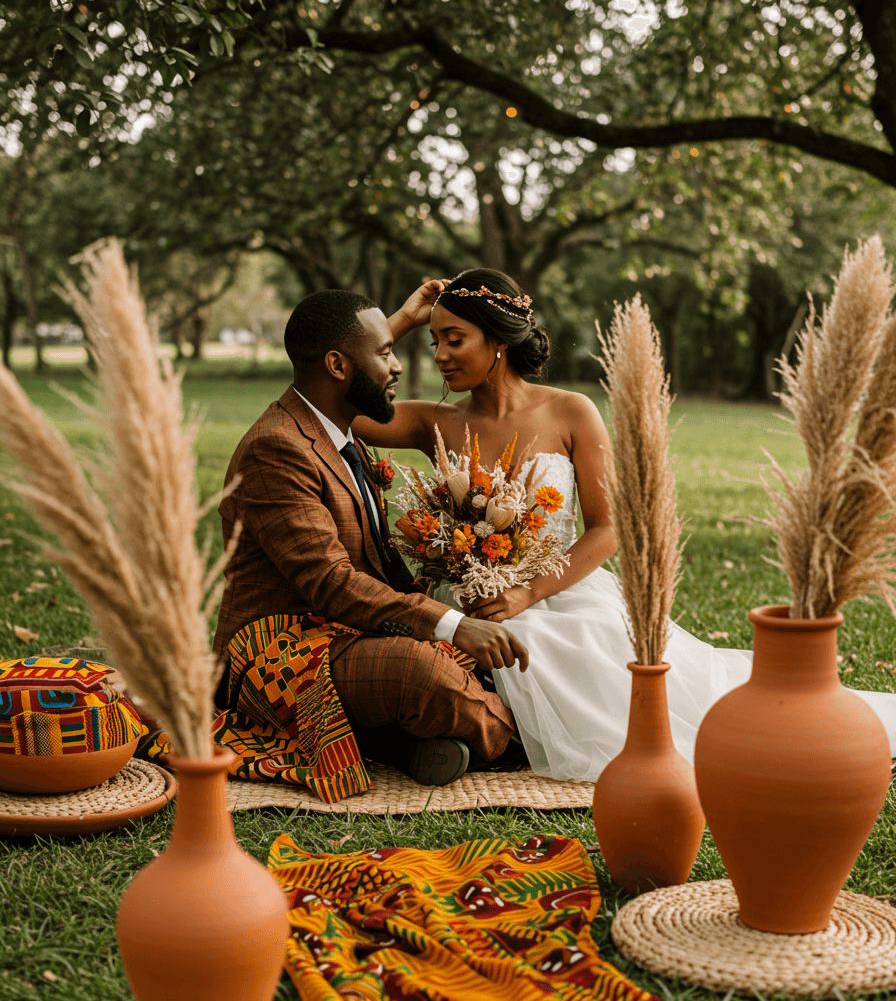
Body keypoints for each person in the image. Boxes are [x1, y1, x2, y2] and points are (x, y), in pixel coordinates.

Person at [353, 267, 896, 781]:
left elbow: (608, 527)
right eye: (434, 341)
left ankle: (481, 741)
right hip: (467, 596)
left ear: (499, 339)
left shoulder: (571, 412)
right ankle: (480, 736)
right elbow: (338, 405)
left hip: (559, 588)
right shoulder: (435, 420)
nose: (441, 354)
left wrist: (527, 592)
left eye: (455, 338)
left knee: (579, 645)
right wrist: (400, 320)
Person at [212, 283, 528, 802]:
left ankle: (397, 740)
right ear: (338, 366)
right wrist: (450, 625)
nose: (398, 366)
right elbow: (330, 583)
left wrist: (444, 605)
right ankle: (527, 739)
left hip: (344, 633)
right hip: (280, 652)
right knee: (424, 673)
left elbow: (372, 570)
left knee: (460, 656)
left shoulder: (339, 432)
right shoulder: (275, 448)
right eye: (386, 354)